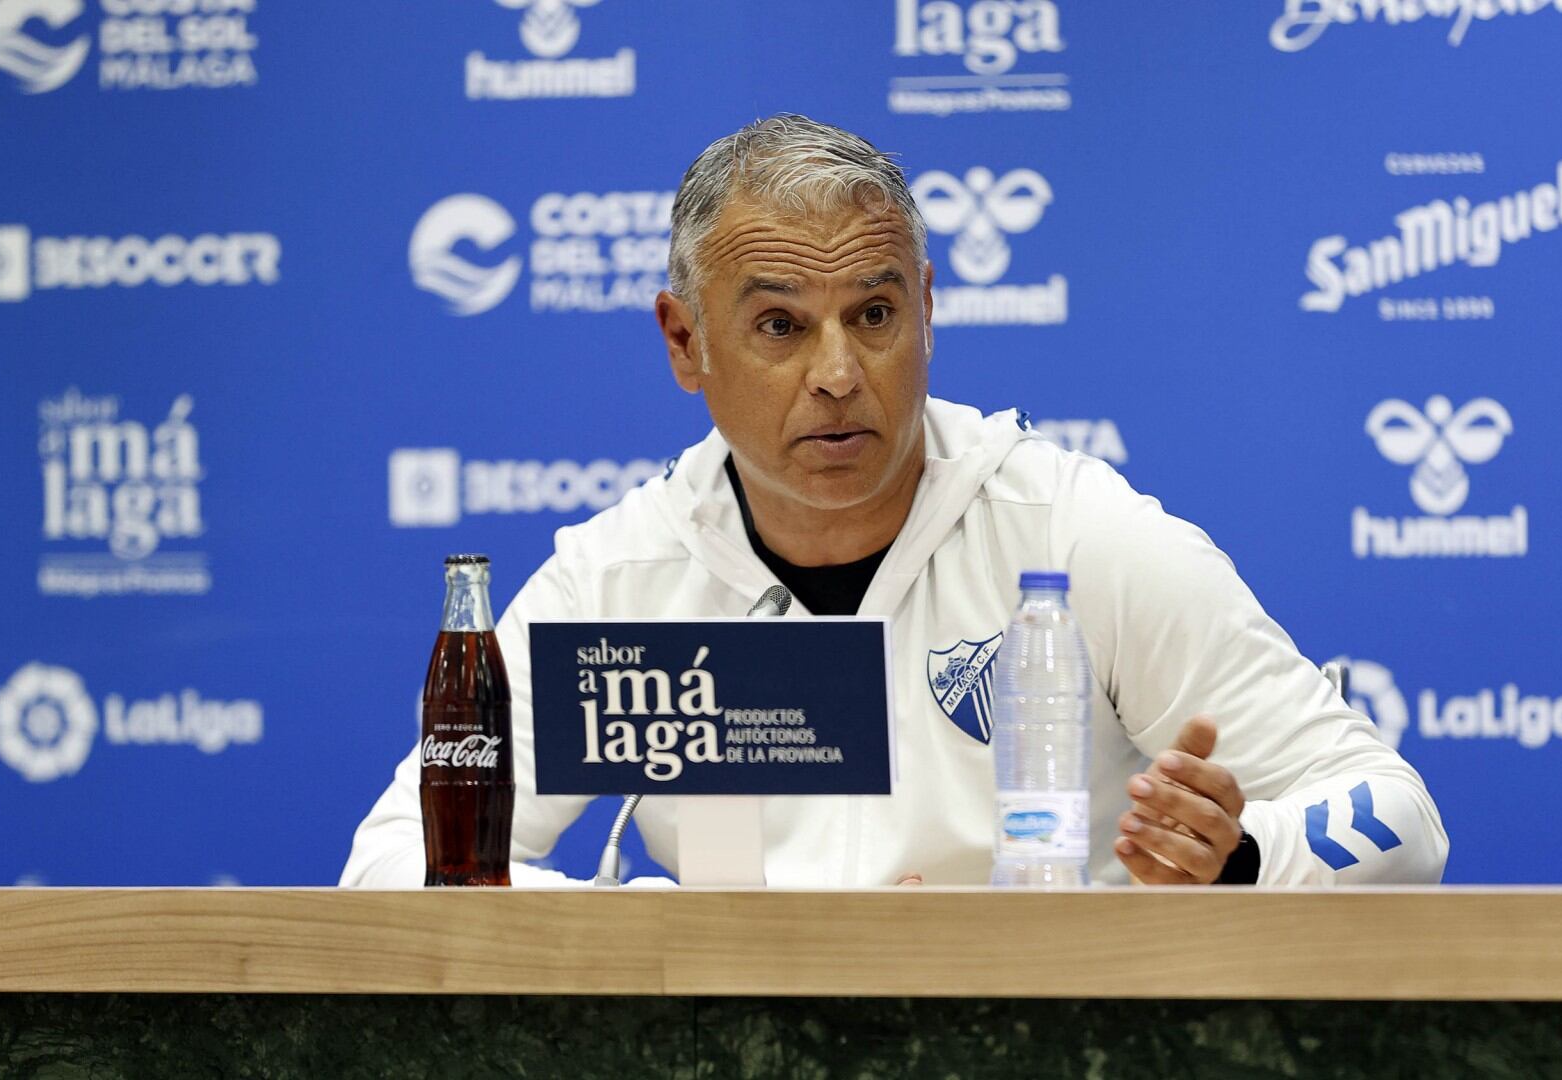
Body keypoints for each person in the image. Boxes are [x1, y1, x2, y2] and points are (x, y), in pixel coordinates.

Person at [343, 115, 1447, 888]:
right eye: (779, 325)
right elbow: (401, 865)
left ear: (925, 308)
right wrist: (636, 932)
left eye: (872, 314)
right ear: (686, 343)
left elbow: (1396, 818)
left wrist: (1240, 861)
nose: (837, 373)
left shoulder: (1076, 536)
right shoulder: (617, 583)